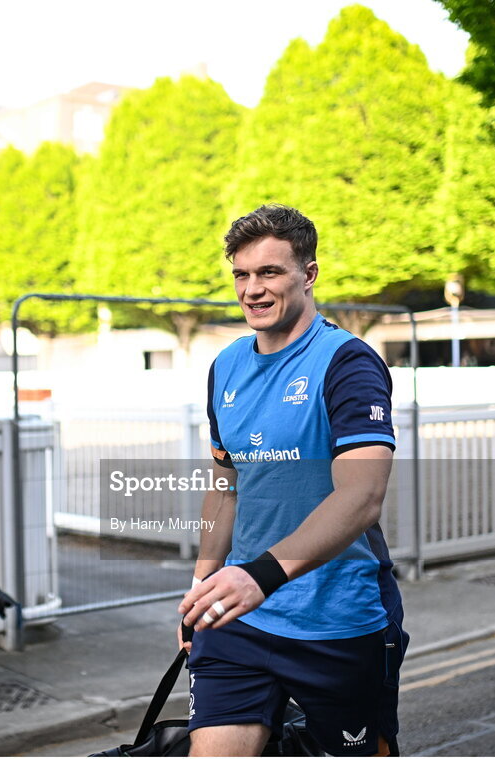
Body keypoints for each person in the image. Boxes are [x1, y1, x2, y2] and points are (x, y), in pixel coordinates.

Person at [177, 205, 407, 757]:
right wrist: (204, 584)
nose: (252, 289)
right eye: (241, 274)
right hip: (240, 615)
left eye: (270, 273)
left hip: (338, 617)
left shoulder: (347, 363)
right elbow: (227, 484)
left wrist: (260, 576)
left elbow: (362, 496)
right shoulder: (224, 366)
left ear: (308, 274)